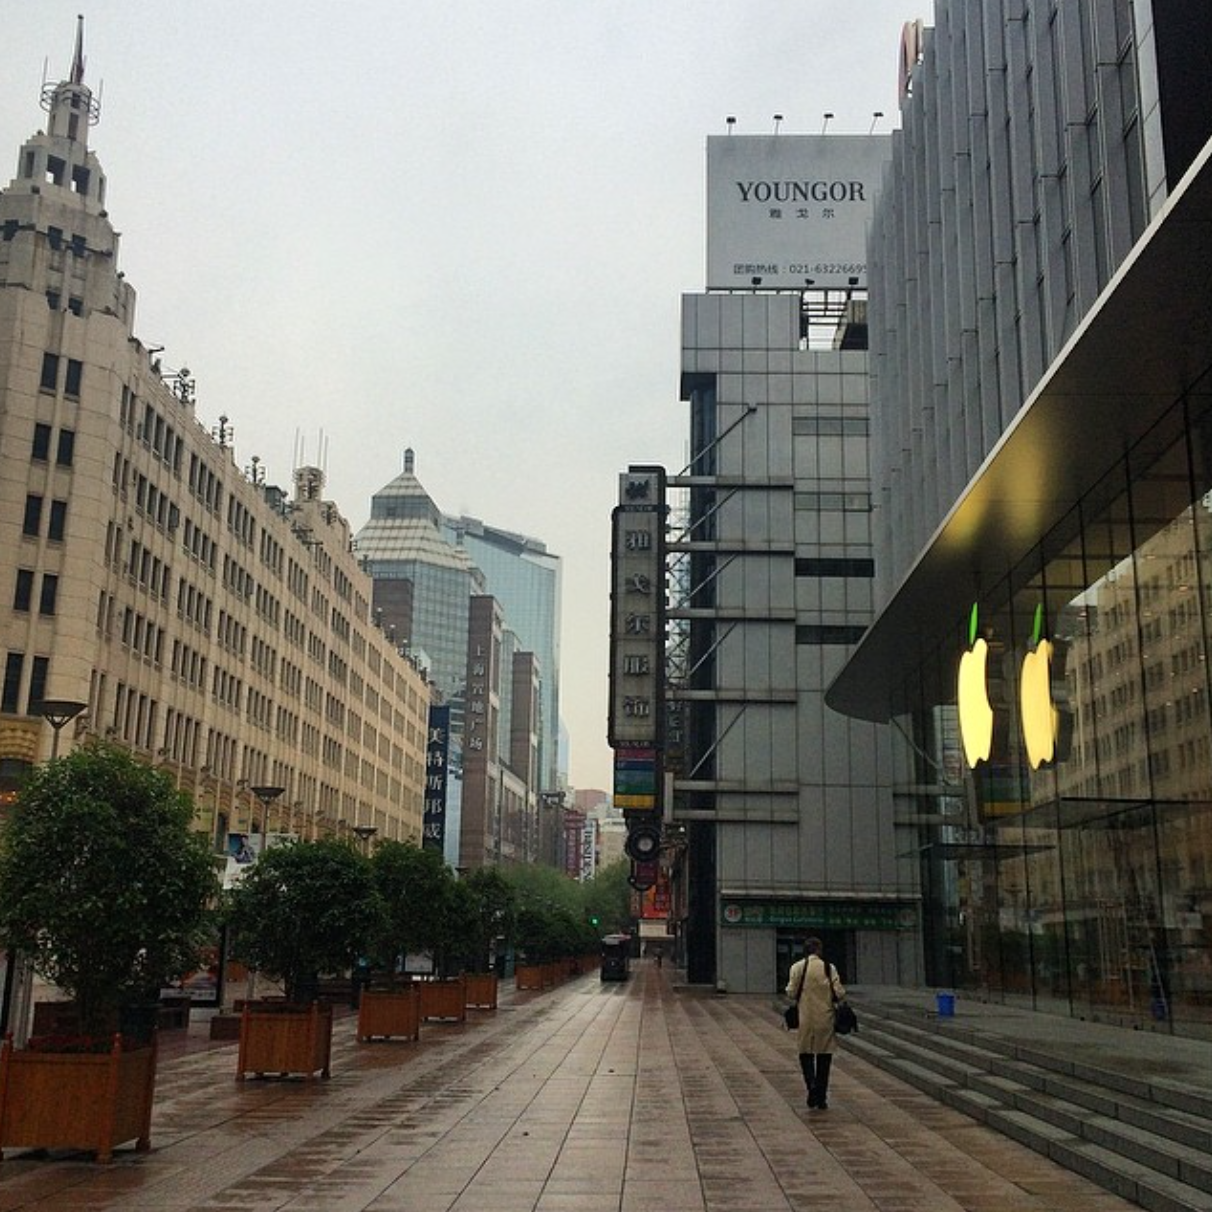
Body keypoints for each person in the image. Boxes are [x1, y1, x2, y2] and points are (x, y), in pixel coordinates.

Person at [785, 937, 845, 1110]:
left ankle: (811, 1085)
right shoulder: (829, 968)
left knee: (806, 1054)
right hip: (825, 1018)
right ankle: (822, 1096)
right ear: (819, 950)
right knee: (824, 1057)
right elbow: (839, 992)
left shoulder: (797, 967)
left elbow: (790, 992)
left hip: (805, 1018)